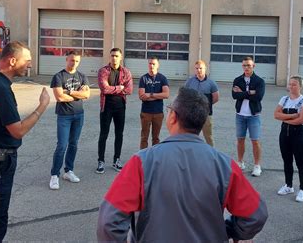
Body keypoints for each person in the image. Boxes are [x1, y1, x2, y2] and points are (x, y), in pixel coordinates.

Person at [97, 87, 268, 242]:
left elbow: (109, 222)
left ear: (173, 117)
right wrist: (229, 230)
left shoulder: (141, 162)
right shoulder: (225, 165)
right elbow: (256, 215)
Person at [0, 41, 50, 242]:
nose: (30, 65)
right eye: (27, 61)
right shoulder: (1, 90)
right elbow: (18, 131)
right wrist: (42, 106)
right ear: (13, 60)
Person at [49, 51, 90, 190]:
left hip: (79, 115)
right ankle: (54, 175)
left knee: (73, 144)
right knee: (62, 145)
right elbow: (59, 97)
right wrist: (79, 94)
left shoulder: (82, 76)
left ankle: (68, 171)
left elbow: (87, 94)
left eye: (77, 61)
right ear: (66, 60)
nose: (74, 63)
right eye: (72, 60)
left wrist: (70, 92)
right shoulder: (58, 76)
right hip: (64, 116)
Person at [273, 75, 303, 202]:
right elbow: (276, 114)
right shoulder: (284, 99)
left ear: (301, 86)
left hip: (299, 135)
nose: (291, 86)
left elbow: (302, 120)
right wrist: (293, 116)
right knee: (287, 161)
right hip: (284, 134)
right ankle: (288, 185)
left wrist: (285, 119)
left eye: (294, 84)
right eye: (290, 84)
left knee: (301, 163)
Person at [96, 47, 133, 174]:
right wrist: (119, 88)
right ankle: (100, 160)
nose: (114, 58)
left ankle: (116, 160)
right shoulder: (103, 71)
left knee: (119, 134)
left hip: (120, 107)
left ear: (121, 57)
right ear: (109, 57)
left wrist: (113, 88)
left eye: (116, 56)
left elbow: (129, 90)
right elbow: (104, 89)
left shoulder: (126, 72)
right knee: (103, 134)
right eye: (112, 55)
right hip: (106, 107)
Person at [232, 56, 265, 176]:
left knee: (255, 141)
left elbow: (258, 97)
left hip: (253, 115)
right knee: (240, 140)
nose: (246, 67)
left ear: (253, 66)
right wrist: (250, 92)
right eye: (244, 65)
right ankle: (240, 162)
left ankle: (257, 166)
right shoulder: (237, 80)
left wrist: (242, 93)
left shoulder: (259, 81)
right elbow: (234, 96)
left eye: (249, 65)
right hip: (240, 115)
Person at [184, 59, 219, 146]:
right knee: (191, 137)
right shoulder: (189, 81)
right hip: (192, 114)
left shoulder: (211, 83)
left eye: (201, 68)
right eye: (197, 68)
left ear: (205, 69)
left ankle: (212, 155)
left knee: (208, 136)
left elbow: (215, 98)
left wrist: (205, 105)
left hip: (206, 115)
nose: (198, 70)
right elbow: (184, 94)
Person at [138, 57, 169, 149]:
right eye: (150, 63)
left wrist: (150, 95)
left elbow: (166, 94)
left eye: (154, 64)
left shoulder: (162, 78)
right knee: (144, 137)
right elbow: (142, 96)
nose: (151, 65)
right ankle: (143, 158)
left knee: (156, 138)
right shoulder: (143, 78)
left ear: (158, 65)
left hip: (158, 113)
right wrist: (158, 96)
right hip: (146, 112)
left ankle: (154, 158)